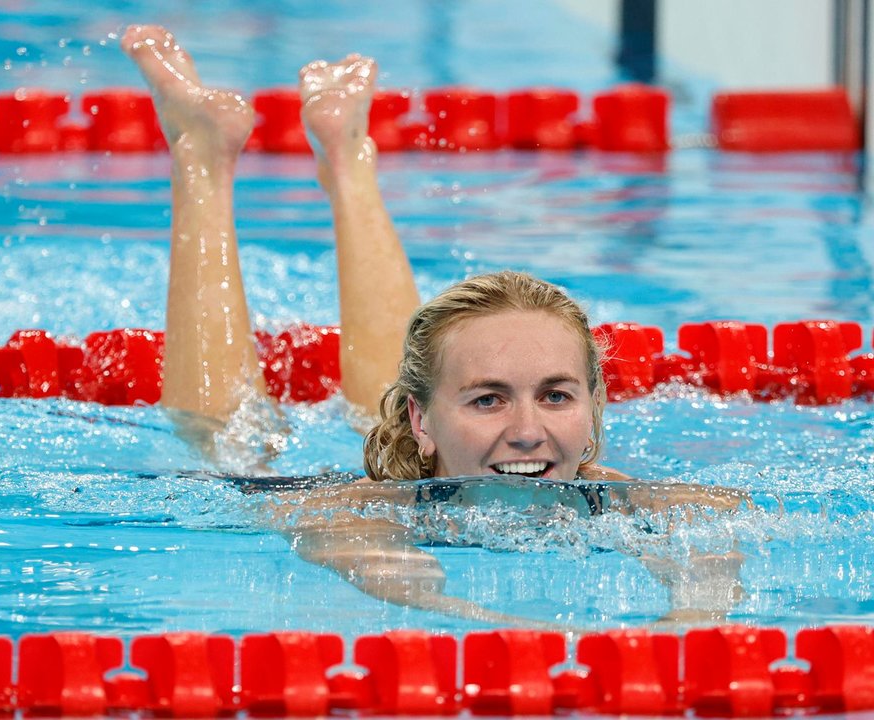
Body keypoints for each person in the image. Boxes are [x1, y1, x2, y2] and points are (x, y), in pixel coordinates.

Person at [121, 25, 746, 625]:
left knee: (415, 391)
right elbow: (398, 581)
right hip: (292, 483)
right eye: (490, 399)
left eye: (556, 395)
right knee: (231, 440)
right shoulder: (360, 515)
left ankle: (347, 157)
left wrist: (688, 617)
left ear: (594, 409)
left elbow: (711, 546)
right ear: (420, 423)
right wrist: (566, 643)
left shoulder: (624, 499)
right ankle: (201, 158)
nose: (528, 431)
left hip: (425, 445)